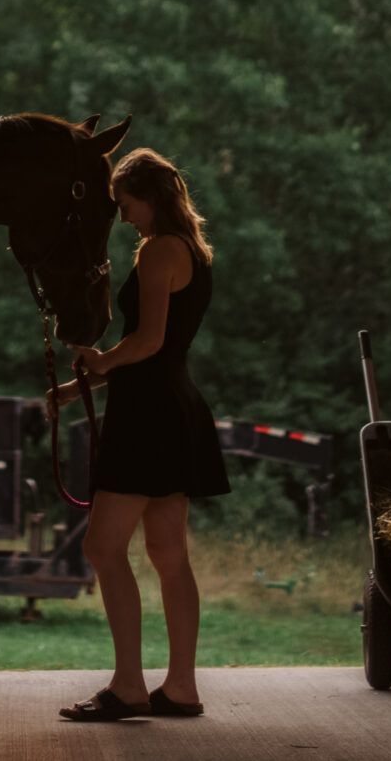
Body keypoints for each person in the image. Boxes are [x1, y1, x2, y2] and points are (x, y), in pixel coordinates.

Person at [51, 147, 228, 722]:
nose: (123, 217)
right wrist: (85, 385)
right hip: (169, 405)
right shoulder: (192, 252)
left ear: (147, 198)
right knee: (168, 553)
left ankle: (130, 686)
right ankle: (181, 688)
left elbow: (148, 342)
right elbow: (159, 353)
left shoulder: (158, 251)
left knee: (102, 547)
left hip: (148, 417)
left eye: (125, 204)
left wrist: (100, 361)